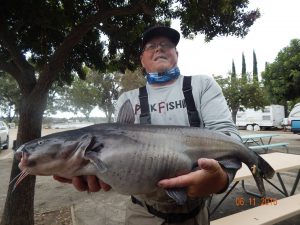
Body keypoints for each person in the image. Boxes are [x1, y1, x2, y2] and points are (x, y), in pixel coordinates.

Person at [54, 25, 242, 225]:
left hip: (197, 214)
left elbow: (229, 138)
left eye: (166, 45)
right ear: (142, 60)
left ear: (176, 54)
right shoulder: (128, 100)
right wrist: (102, 172)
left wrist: (221, 180)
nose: (159, 49)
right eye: (151, 46)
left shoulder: (202, 85)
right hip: (142, 214)